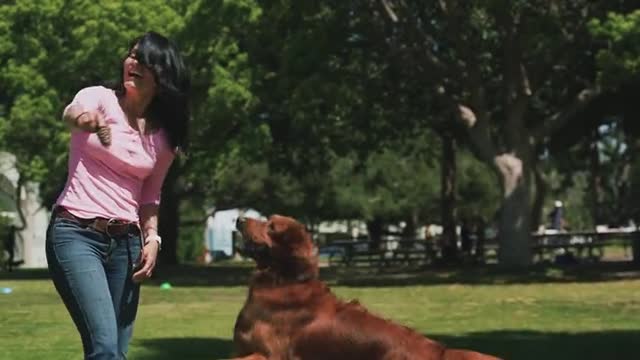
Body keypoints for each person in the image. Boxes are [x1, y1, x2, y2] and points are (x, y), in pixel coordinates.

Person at [45, 31, 190, 359]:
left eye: (143, 59)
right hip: (76, 233)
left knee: (115, 353)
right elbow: (71, 113)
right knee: (105, 349)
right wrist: (85, 119)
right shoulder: (98, 97)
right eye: (131, 55)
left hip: (127, 246)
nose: (132, 62)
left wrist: (153, 239)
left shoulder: (164, 139)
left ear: (162, 74)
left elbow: (150, 196)